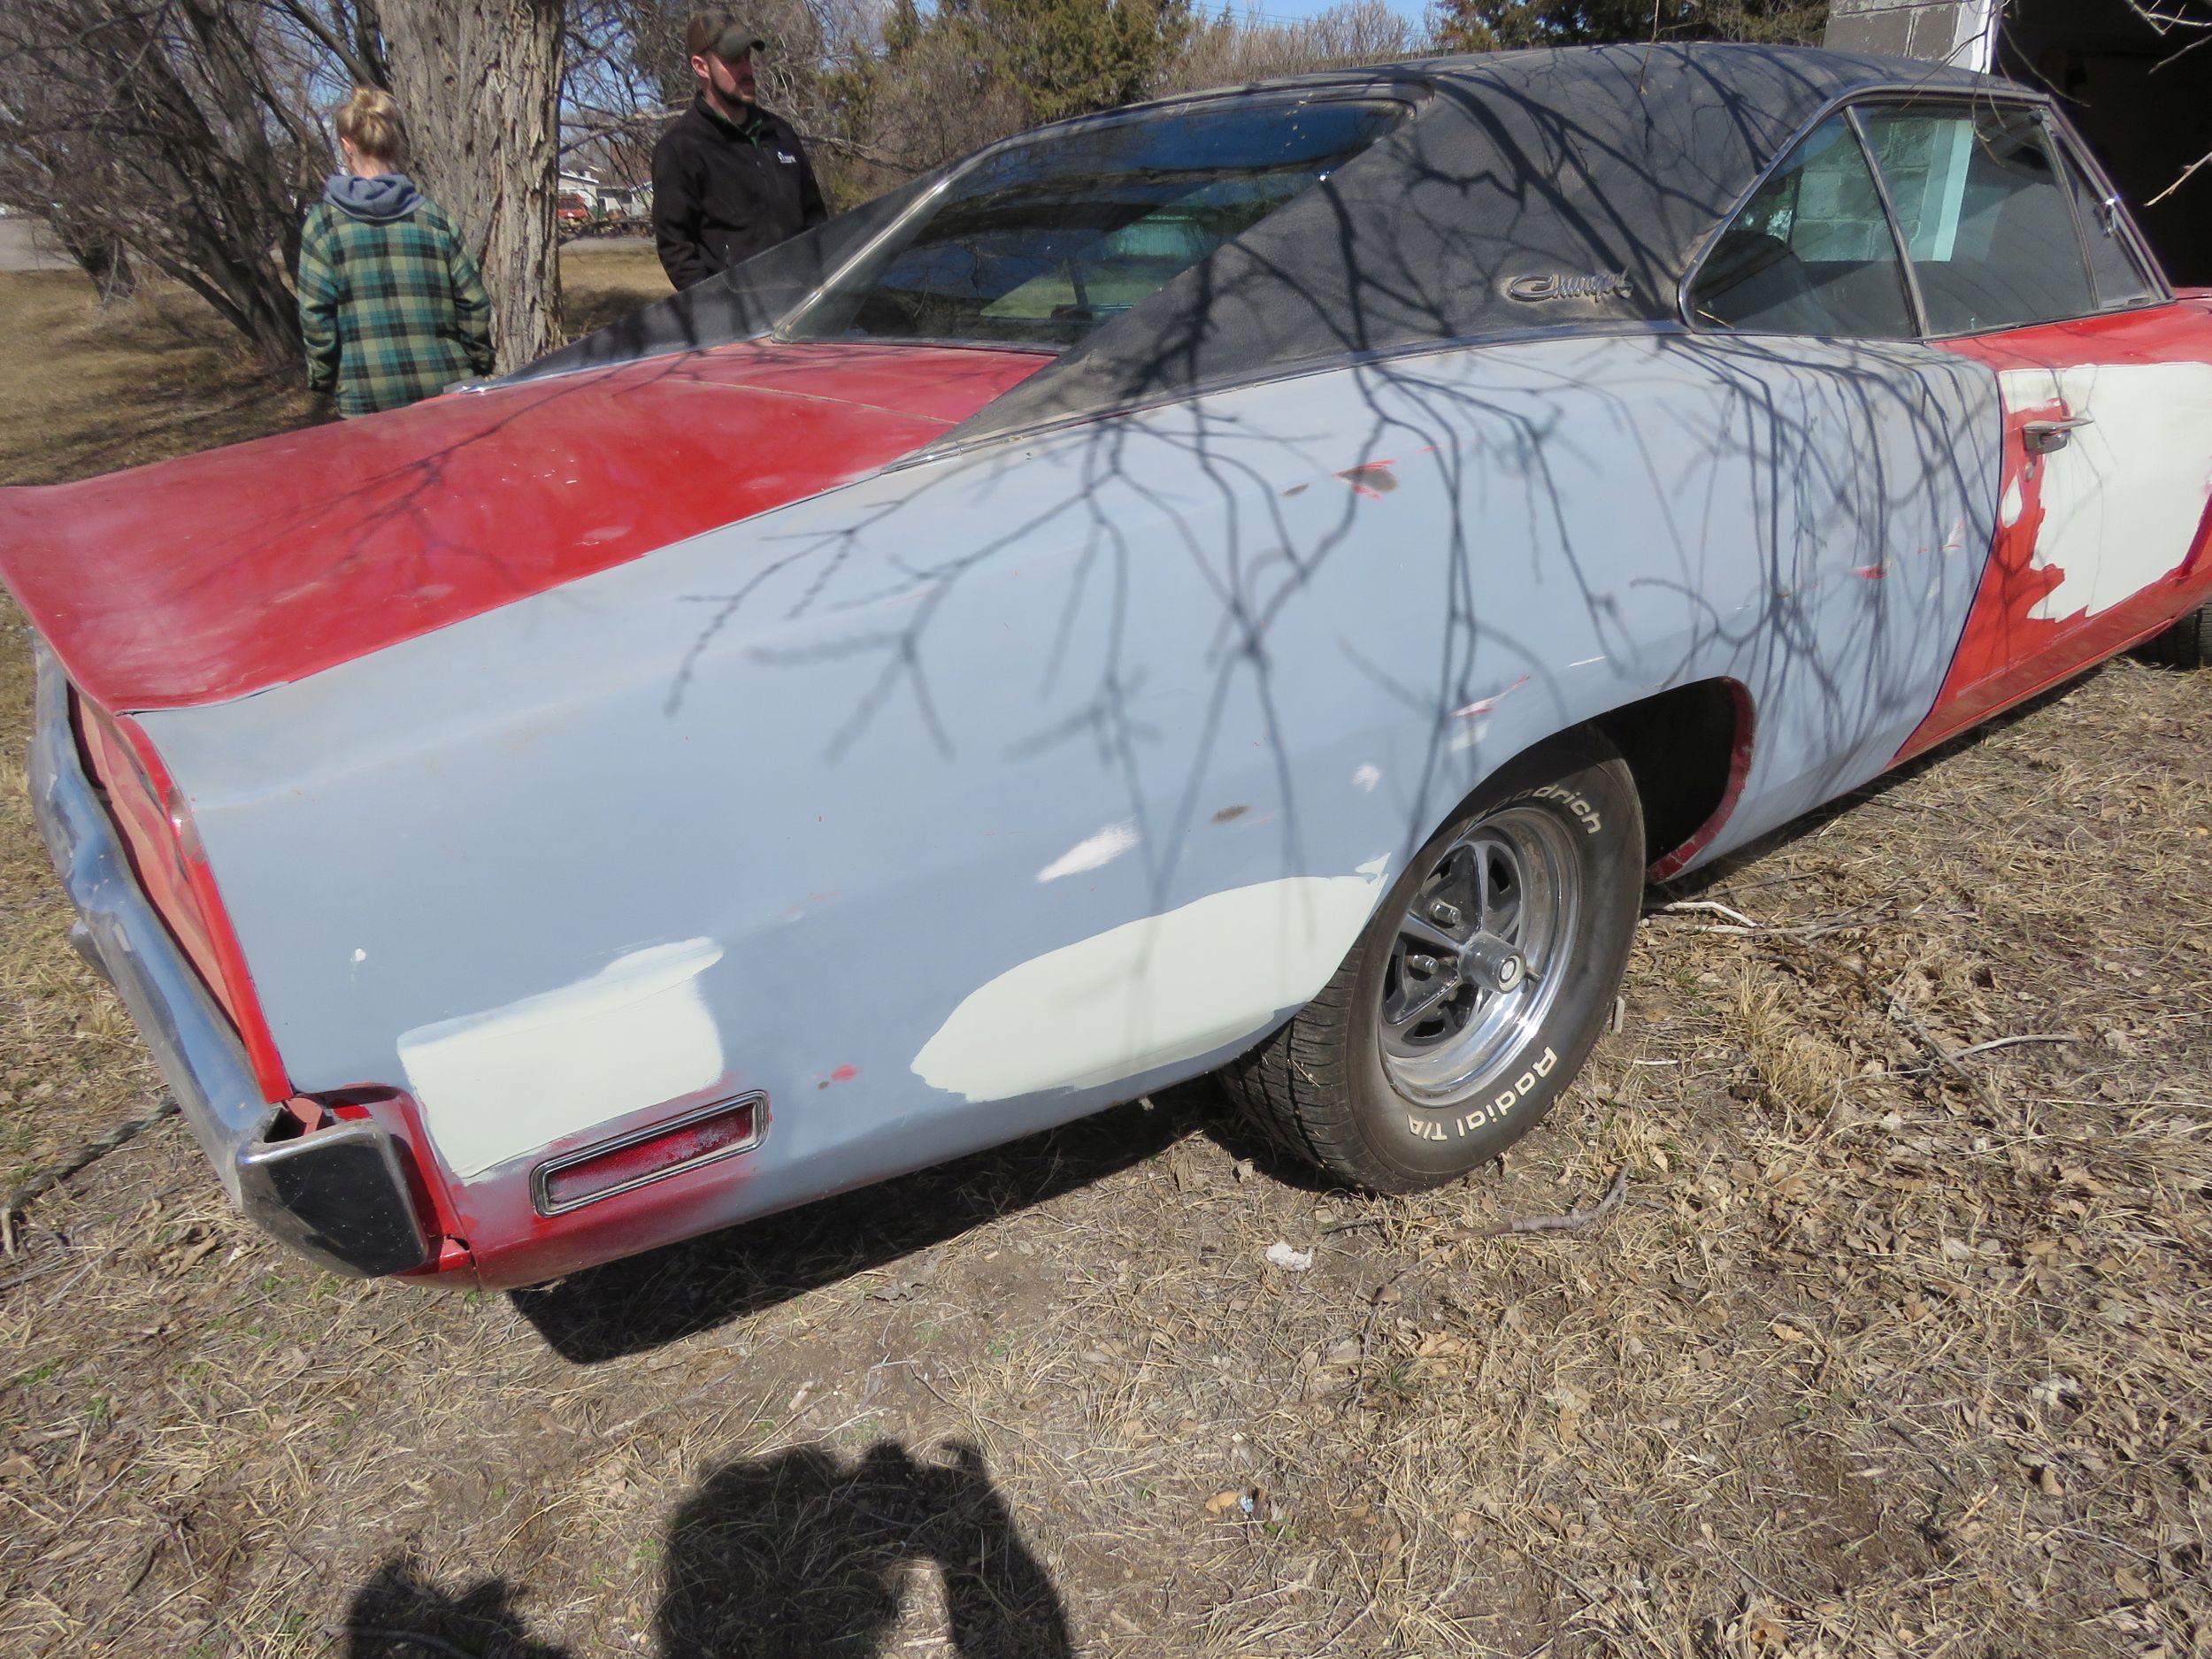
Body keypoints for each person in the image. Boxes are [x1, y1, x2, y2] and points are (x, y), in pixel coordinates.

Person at [296, 89, 495, 418]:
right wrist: (479, 360)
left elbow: (315, 316)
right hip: (445, 384)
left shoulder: (324, 225)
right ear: (394, 140)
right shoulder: (435, 220)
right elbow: (473, 302)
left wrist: (323, 376)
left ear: (347, 144)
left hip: (365, 391)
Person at [651, 12, 828, 289]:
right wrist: (720, 311)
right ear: (701, 67)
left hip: (800, 310)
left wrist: (817, 283)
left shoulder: (781, 133)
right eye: (734, 60)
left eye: (747, 57)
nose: (746, 70)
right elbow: (677, 249)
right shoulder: (680, 148)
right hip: (737, 322)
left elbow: (816, 219)